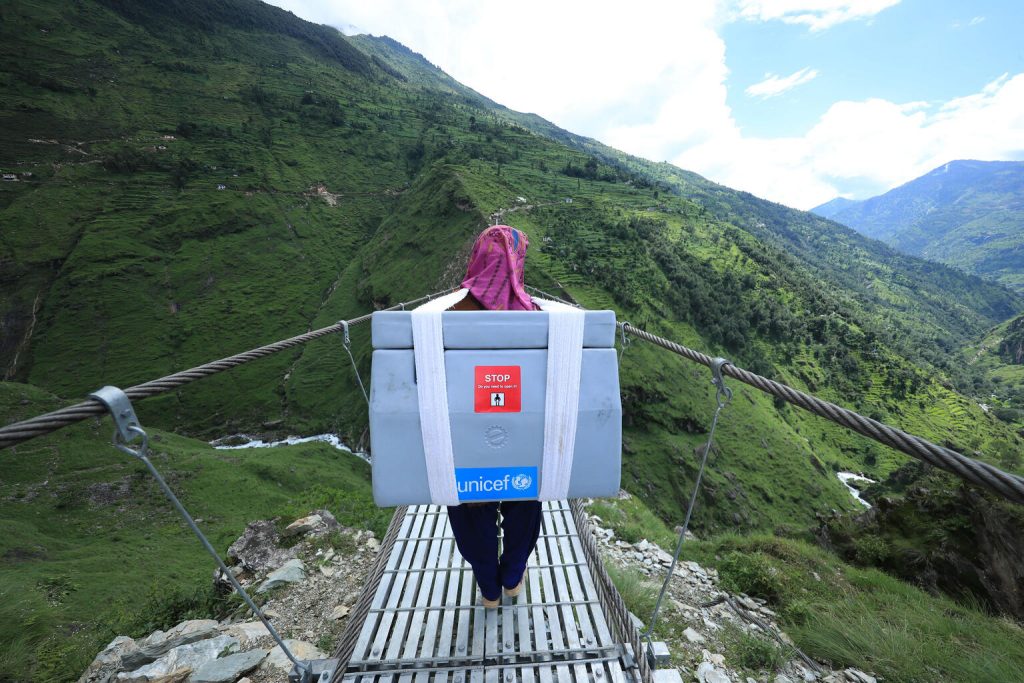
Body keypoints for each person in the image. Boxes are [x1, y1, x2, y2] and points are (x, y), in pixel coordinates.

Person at [446, 225, 543, 608]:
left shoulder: (450, 311)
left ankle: (488, 588)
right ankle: (513, 579)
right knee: (525, 504)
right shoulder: (534, 314)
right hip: (522, 434)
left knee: (471, 509)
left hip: (465, 434)